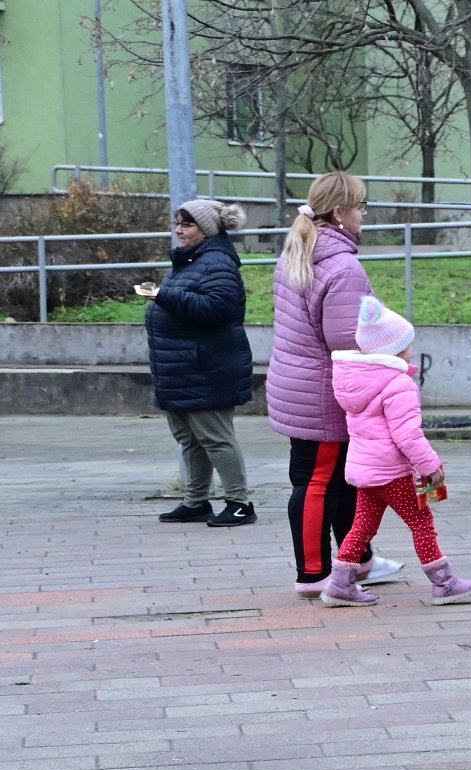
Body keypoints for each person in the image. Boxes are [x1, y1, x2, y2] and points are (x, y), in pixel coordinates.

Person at [268, 172, 403, 596]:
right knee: (317, 481)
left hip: (298, 382)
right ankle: (313, 574)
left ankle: (357, 559)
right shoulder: (342, 266)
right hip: (324, 391)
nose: (364, 214)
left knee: (344, 478)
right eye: (360, 206)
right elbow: (348, 340)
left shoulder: (299, 252)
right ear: (340, 212)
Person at [319, 298, 471, 607]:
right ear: (393, 351)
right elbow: (407, 435)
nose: (411, 350)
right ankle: (444, 584)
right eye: (407, 345)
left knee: (363, 524)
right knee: (421, 522)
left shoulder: (355, 381)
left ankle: (340, 583)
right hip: (391, 471)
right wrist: (430, 465)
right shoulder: (397, 384)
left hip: (366, 470)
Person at [144, 199, 256, 528]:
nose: (179, 229)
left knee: (216, 437)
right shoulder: (191, 261)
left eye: (187, 224)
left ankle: (239, 503)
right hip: (181, 367)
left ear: (206, 230)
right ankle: (196, 501)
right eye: (177, 222)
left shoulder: (217, 262)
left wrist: (162, 295)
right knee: (189, 438)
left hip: (206, 366)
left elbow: (216, 309)